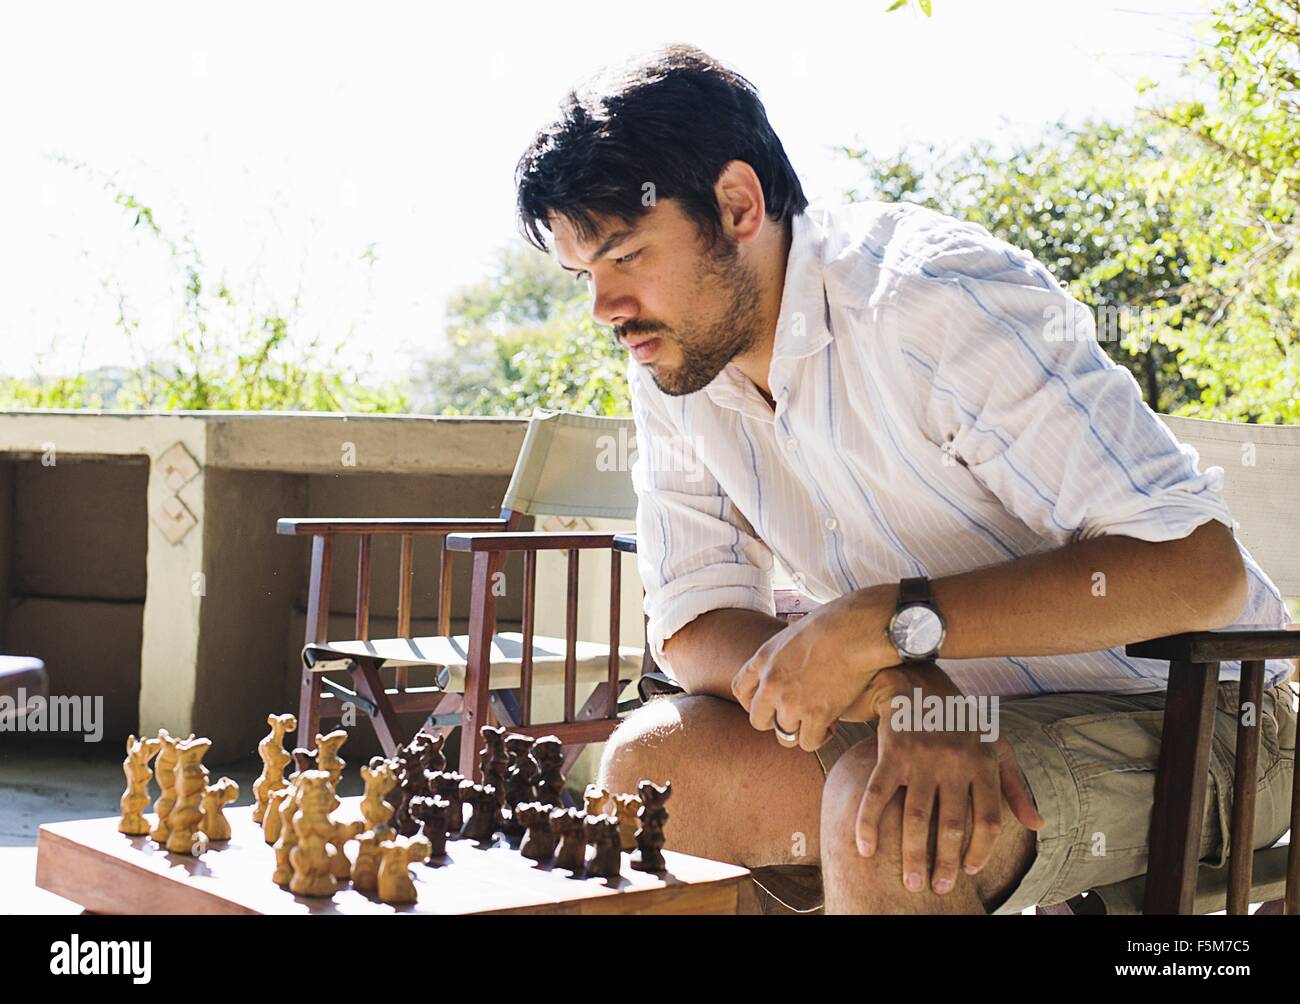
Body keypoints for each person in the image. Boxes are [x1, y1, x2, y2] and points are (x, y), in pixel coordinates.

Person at [512, 44, 1296, 914]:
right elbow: (694, 619)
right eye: (585, 275)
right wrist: (895, 678)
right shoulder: (678, 360)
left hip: (1198, 711)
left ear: (737, 204)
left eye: (626, 255)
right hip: (942, 702)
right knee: (652, 765)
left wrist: (888, 626)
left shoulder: (932, 300)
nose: (604, 309)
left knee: (887, 818)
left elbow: (1201, 569)